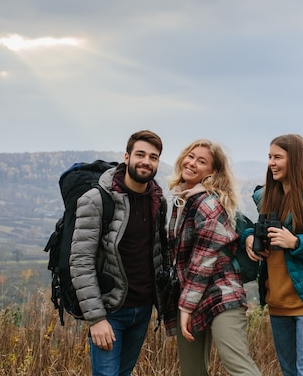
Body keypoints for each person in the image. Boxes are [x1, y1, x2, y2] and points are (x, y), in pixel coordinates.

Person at [69, 130, 168, 376]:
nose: (146, 161)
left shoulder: (158, 200)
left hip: (142, 309)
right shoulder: (97, 199)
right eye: (140, 154)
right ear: (127, 157)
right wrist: (96, 319)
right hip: (110, 311)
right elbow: (81, 261)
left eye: (153, 157)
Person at [244, 134, 303, 376]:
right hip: (277, 300)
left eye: (278, 157)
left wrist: (296, 242)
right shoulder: (268, 197)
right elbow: (257, 228)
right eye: (269, 157)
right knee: (289, 372)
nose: (271, 163)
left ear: (296, 160)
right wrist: (248, 237)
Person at [163, 139, 261, 376]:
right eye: (190, 156)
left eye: (202, 161)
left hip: (220, 294)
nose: (192, 163)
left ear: (213, 172)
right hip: (191, 295)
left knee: (239, 367)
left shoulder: (208, 203)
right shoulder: (183, 199)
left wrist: (185, 307)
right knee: (192, 371)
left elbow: (203, 261)